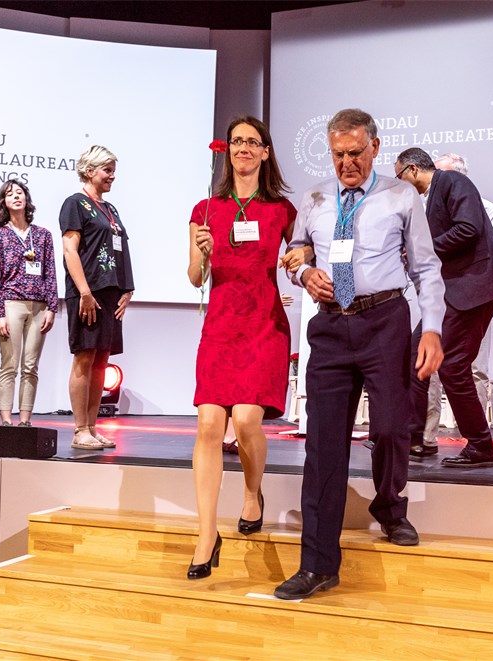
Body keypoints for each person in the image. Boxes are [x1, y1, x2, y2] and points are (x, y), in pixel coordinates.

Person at [274, 109, 445, 600]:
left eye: (355, 153)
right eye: (338, 154)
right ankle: (318, 564)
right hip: (330, 325)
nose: (346, 163)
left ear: (374, 147)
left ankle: (390, 505)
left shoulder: (402, 195)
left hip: (385, 321)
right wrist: (303, 274)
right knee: (323, 445)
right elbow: (297, 252)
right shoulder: (315, 198)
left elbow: (427, 268)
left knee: (392, 427)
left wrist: (431, 329)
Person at [186, 116, 296, 579]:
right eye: (237, 141)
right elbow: (195, 278)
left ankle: (253, 491)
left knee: (248, 419)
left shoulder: (283, 210)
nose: (244, 148)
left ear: (266, 152)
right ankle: (206, 533)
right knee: (210, 423)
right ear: (226, 150)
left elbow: (302, 257)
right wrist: (204, 254)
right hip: (221, 323)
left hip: (264, 323)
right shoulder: (205, 209)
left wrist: (300, 259)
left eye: (253, 142)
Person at [395, 147, 493, 468]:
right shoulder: (433, 197)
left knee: (453, 366)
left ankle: (480, 445)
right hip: (458, 291)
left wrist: (422, 249)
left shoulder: (450, 181)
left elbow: (469, 229)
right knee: (416, 353)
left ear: (411, 170)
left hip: (476, 287)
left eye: (399, 177)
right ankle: (415, 439)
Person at [60, 146, 134, 451]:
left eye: (113, 170)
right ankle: (80, 429)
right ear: (90, 171)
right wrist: (84, 293)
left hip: (111, 292)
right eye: (107, 170)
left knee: (102, 360)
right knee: (85, 356)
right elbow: (69, 250)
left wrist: (127, 289)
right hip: (87, 293)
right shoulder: (74, 204)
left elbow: (121, 249)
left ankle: (93, 426)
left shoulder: (110, 209)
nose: (112, 176)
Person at [0, 179, 58, 427]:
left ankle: (25, 420)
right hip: (11, 304)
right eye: (10, 194)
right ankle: (6, 419)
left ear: (26, 199)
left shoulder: (43, 235)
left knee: (31, 365)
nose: (16, 197)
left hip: (39, 306)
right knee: (9, 364)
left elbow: (50, 272)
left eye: (20, 192)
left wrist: (52, 307)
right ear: (3, 202)